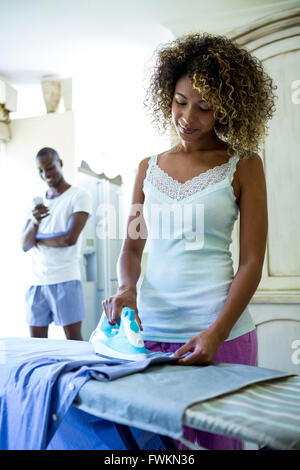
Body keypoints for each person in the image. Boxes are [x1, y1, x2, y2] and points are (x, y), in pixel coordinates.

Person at [102, 32, 276, 449]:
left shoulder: (244, 164)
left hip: (221, 334)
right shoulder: (148, 167)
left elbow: (253, 260)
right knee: (153, 450)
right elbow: (131, 247)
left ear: (227, 108)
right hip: (151, 337)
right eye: (181, 101)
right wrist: (127, 289)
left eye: (205, 106)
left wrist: (217, 333)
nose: (188, 116)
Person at [21, 147, 92, 341]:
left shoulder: (79, 196)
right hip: (37, 283)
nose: (46, 174)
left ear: (60, 163)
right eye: (41, 170)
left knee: (74, 342)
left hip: (66, 279)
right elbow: (25, 245)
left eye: (50, 167)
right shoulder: (36, 204)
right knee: (36, 345)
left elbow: (69, 238)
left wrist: (39, 240)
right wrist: (35, 222)